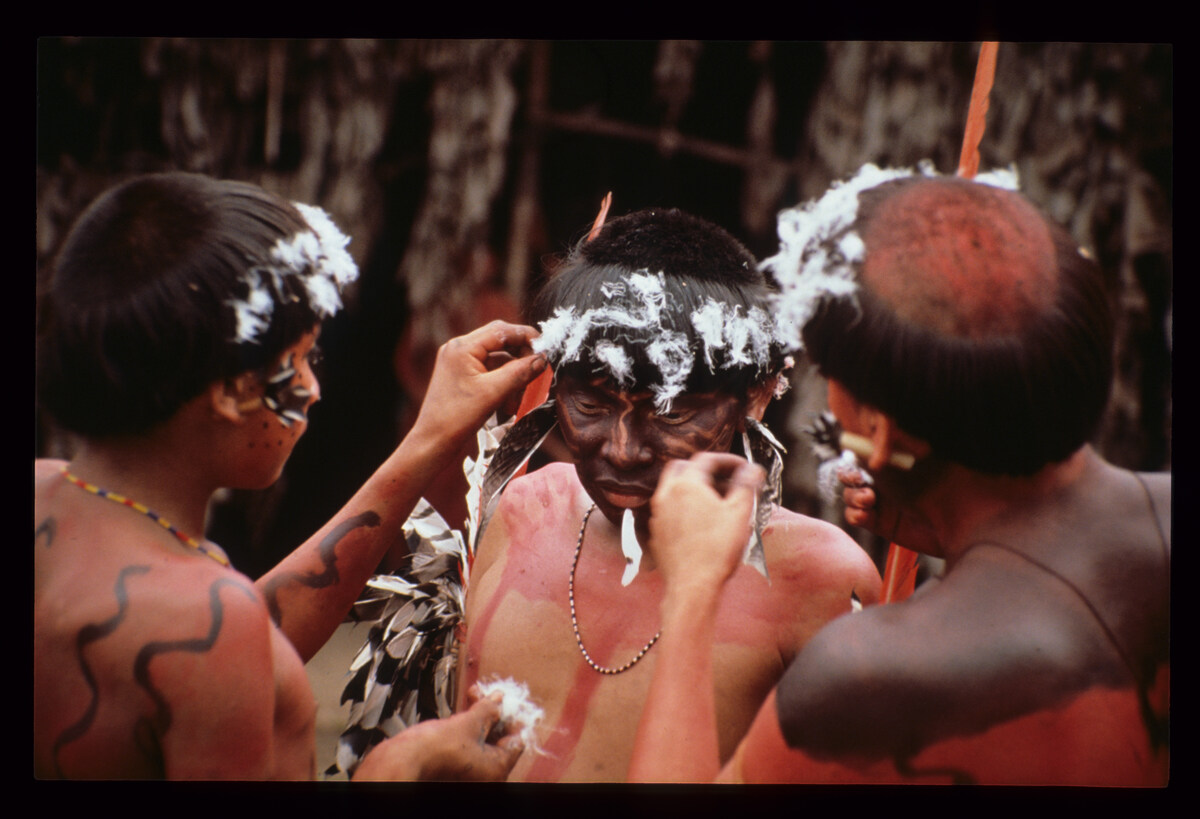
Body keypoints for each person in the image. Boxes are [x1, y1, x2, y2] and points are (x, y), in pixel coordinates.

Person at [628, 167, 1170, 786]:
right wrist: (947, 524)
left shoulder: (867, 678)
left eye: (827, 370)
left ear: (879, 432)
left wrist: (694, 591)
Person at [34, 171, 548, 780]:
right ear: (231, 392)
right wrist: (397, 769)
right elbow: (224, 638)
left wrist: (427, 442)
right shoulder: (209, 622)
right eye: (299, 359)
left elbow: (238, 638)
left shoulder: (48, 493)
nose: (312, 386)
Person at [456, 207, 882, 781]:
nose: (624, 450)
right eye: (590, 406)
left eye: (673, 412)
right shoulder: (523, 511)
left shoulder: (819, 576)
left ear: (754, 397)